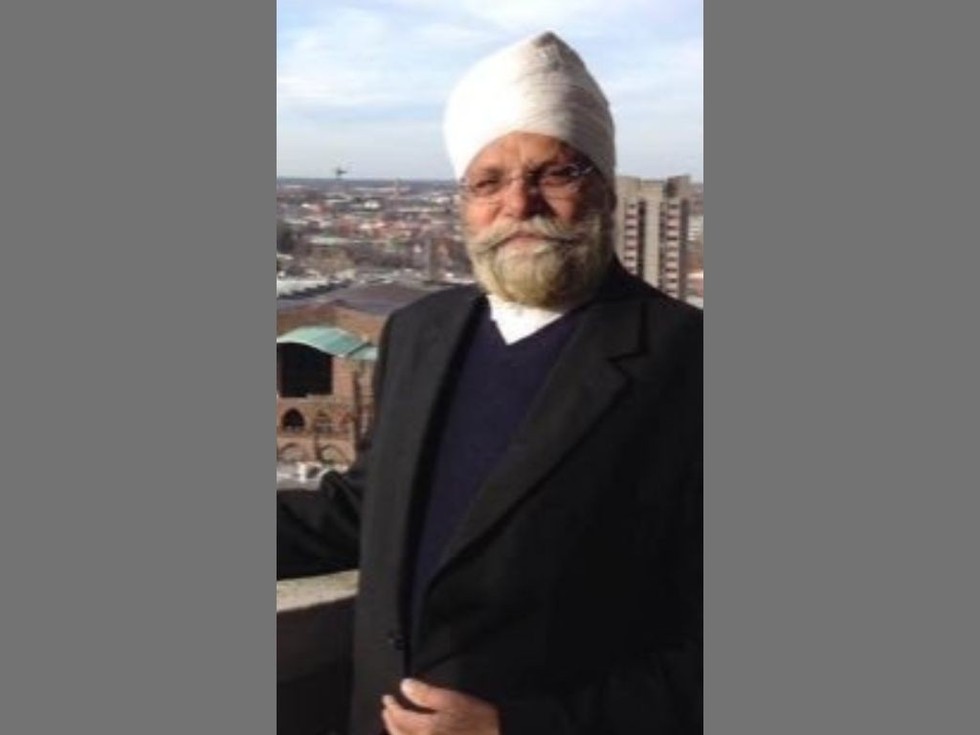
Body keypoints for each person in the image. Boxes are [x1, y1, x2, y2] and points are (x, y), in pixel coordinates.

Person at [277, 31, 702, 735]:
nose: (519, 203)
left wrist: (518, 726)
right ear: (464, 201)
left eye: (554, 173)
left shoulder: (688, 361)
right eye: (488, 181)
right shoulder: (421, 332)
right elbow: (366, 509)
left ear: (603, 186)